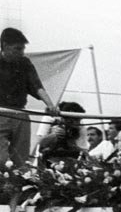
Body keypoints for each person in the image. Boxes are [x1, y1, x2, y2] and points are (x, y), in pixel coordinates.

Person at [0, 28, 59, 168]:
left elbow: (37, 86)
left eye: (23, 49)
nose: (22, 52)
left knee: (21, 161)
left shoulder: (25, 63)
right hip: (0, 113)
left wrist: (51, 105)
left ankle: (19, 188)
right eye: (18, 49)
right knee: (1, 161)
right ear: (5, 45)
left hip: (20, 114)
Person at [36, 101, 86, 166]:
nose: (79, 123)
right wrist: (54, 135)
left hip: (68, 160)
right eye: (77, 120)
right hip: (49, 159)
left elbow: (82, 149)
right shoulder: (50, 119)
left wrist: (68, 137)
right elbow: (40, 143)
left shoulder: (79, 127)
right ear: (69, 119)